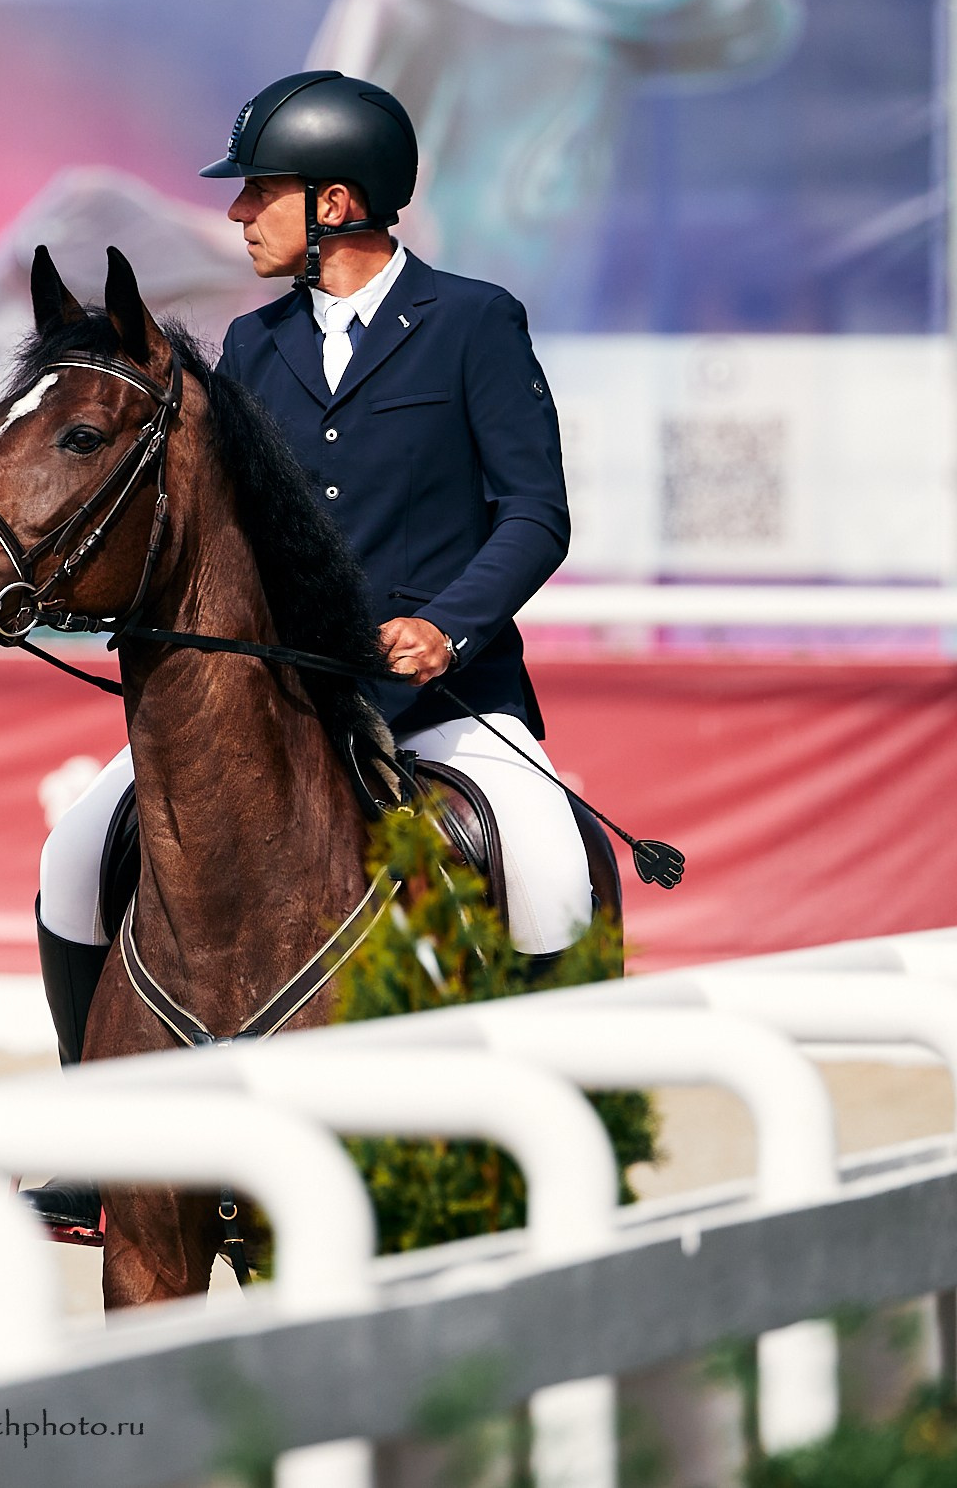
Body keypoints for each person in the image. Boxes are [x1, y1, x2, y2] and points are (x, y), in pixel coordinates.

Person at [32, 68, 591, 1081]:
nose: (238, 212)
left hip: (440, 694)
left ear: (333, 204)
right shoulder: (253, 343)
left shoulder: (472, 324)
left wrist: (446, 626)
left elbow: (535, 515)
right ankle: (93, 1124)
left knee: (548, 863)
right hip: (278, 694)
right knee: (71, 858)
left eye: (258, 191)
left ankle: (556, 1125)